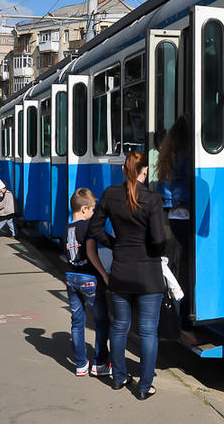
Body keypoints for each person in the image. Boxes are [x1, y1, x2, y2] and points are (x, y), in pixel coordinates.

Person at [87, 152, 167, 400]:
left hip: (121, 272)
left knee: (120, 327)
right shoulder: (152, 199)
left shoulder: (110, 194)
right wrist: (153, 252)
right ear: (144, 170)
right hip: (148, 275)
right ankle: (144, 387)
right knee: (148, 332)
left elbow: (94, 229)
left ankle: (119, 378)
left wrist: (115, 244)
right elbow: (159, 240)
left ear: (124, 169)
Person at [155, 115, 194, 339]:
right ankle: (185, 320)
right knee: (193, 271)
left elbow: (164, 191)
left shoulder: (169, 154)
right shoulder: (188, 155)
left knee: (187, 264)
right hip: (187, 214)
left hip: (175, 217)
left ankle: (184, 313)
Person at [65, 188, 111, 377]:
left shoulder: (66, 228)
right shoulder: (89, 227)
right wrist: (105, 276)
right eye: (92, 210)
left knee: (77, 322)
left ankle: (81, 364)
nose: (93, 213)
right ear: (84, 209)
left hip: (70, 277)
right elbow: (91, 253)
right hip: (89, 279)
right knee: (101, 321)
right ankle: (99, 364)